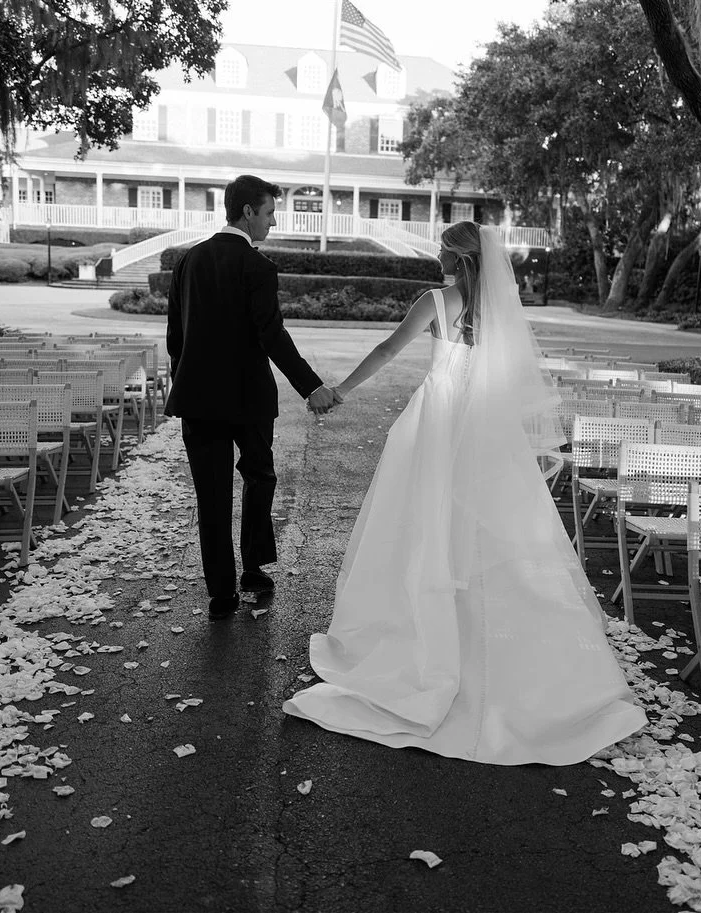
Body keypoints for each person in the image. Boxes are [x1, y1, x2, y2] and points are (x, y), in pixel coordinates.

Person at [283, 222, 646, 766]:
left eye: (442, 249)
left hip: (439, 423)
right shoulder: (499, 310)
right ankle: (507, 643)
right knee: (489, 529)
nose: (435, 255)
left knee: (425, 524)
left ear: (458, 258)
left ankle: (425, 632)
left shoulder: (435, 301)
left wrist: (337, 391)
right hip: (484, 427)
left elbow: (387, 351)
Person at [166, 174, 341, 617]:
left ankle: (221, 593)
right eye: (268, 212)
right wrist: (312, 386)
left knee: (212, 494)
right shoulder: (257, 266)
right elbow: (271, 335)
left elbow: (175, 336)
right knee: (259, 478)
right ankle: (253, 569)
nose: (273, 221)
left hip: (199, 400)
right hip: (248, 400)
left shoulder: (189, 260)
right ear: (247, 211)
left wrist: (184, 381)